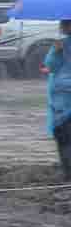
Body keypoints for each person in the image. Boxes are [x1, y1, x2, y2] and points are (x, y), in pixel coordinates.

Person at [47, 19, 71, 181]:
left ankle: (68, 172)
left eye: (64, 23)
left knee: (64, 137)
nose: (61, 26)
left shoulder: (60, 45)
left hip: (63, 101)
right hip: (63, 100)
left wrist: (56, 52)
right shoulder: (60, 45)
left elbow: (49, 66)